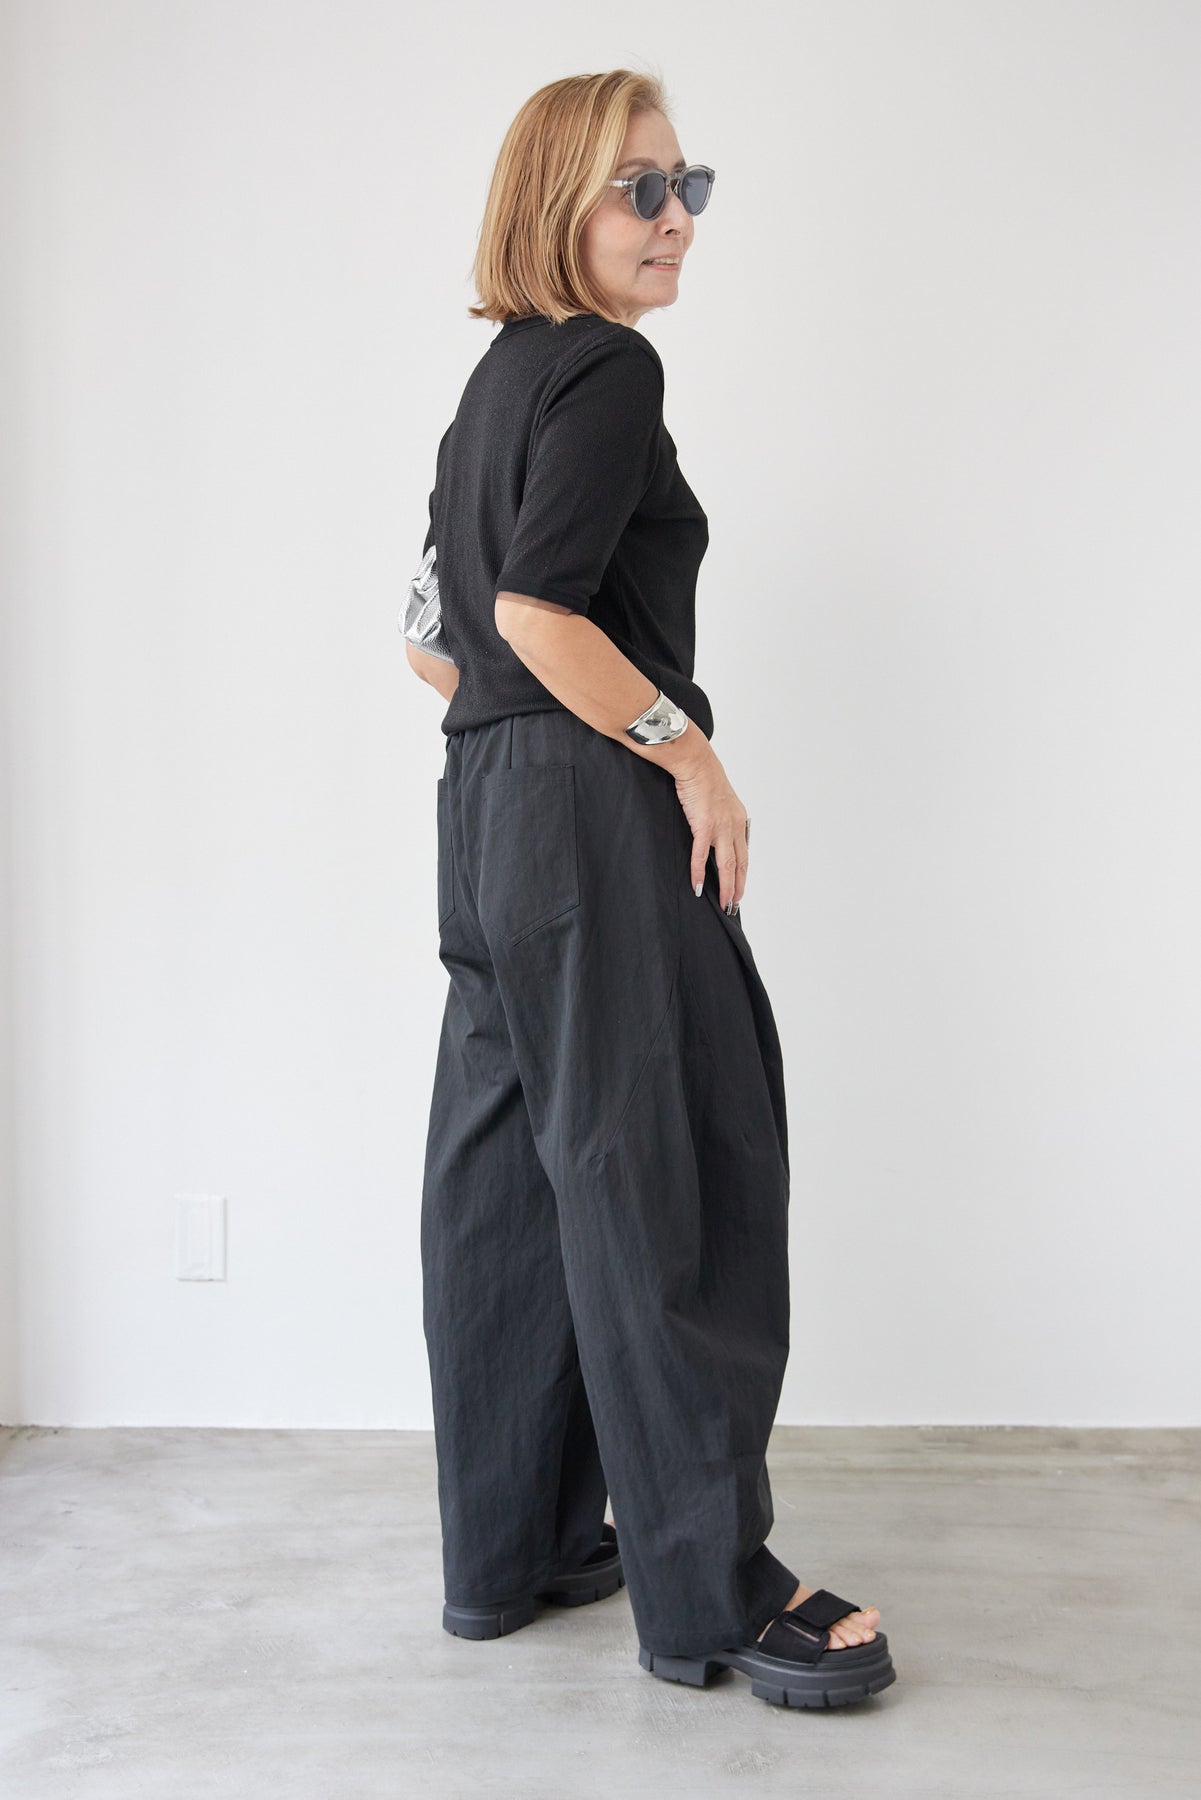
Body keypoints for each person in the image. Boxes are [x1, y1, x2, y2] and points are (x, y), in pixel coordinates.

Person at [406, 68, 896, 1710]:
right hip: (587, 813)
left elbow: (432, 642)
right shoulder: (608, 366)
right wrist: (687, 758)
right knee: (661, 1173)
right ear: (556, 200)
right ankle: (713, 1591)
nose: (675, 216)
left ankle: (512, 1551)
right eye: (640, 188)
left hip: (482, 810)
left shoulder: (487, 392)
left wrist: (523, 744)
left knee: (507, 1178)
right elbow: (536, 615)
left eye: (689, 184)